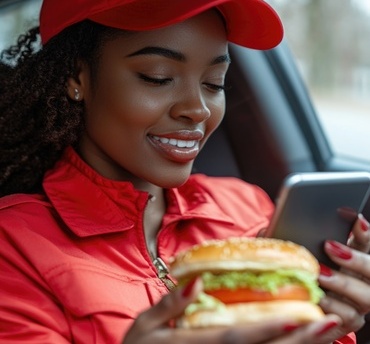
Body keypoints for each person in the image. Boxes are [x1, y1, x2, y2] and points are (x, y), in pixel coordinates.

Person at [0, 0, 369, 343]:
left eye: (214, 83)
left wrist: (332, 327)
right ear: (76, 77)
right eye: (158, 77)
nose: (198, 109)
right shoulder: (15, 246)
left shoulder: (247, 207)